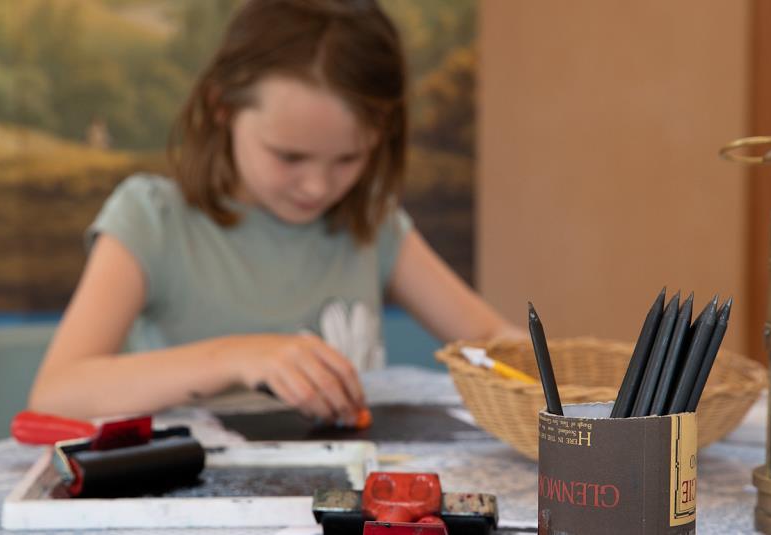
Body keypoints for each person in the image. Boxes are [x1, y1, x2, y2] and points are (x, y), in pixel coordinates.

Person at [28, 0, 521, 427]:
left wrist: (558, 374)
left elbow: (492, 343)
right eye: (289, 156)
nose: (318, 186)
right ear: (222, 108)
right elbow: (56, 395)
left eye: (350, 159)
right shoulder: (151, 220)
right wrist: (238, 356)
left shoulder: (372, 222)